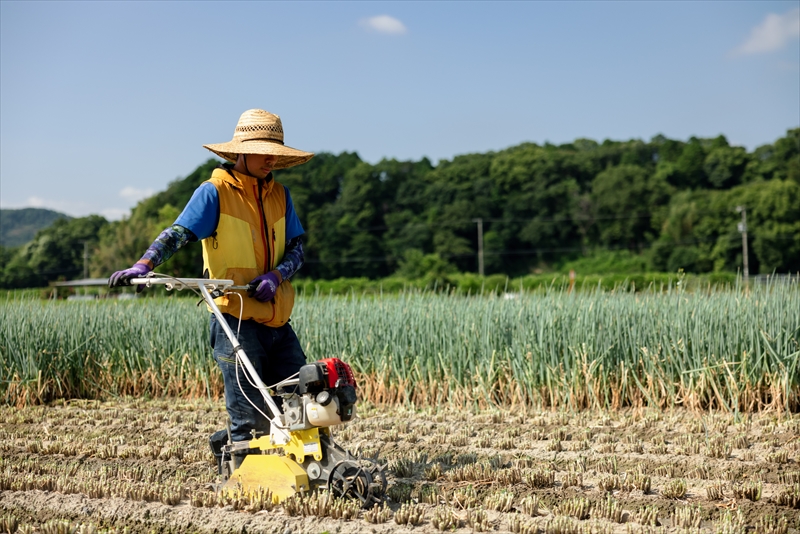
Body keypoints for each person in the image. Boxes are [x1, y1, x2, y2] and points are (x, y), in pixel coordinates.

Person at [109, 109, 313, 467]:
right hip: (234, 317)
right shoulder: (215, 192)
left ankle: (234, 447)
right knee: (249, 412)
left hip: (277, 316)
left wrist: (276, 276)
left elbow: (298, 248)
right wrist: (145, 264)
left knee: (301, 399)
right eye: (263, 150)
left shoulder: (281, 195)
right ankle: (241, 475)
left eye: (274, 152)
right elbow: (179, 234)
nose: (271, 159)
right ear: (239, 152)